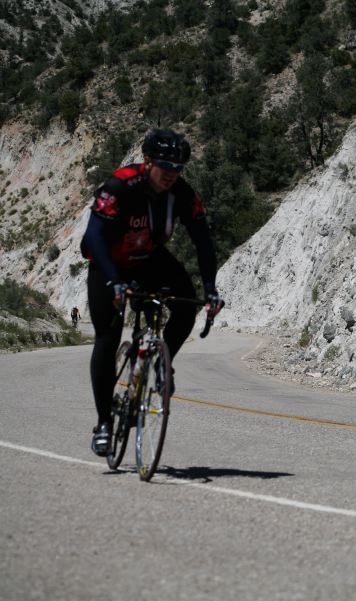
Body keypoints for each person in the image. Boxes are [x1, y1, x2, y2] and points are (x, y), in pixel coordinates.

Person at [79, 128, 222, 456]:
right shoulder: (119, 186)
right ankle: (103, 423)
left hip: (148, 259)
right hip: (109, 261)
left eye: (179, 168)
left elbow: (203, 241)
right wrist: (114, 281)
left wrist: (211, 289)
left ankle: (161, 361)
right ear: (147, 161)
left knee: (187, 302)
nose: (172, 174)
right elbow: (95, 236)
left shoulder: (183, 194)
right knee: (107, 337)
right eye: (165, 166)